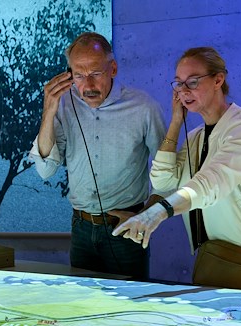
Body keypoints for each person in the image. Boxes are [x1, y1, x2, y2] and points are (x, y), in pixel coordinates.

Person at [112, 47, 241, 293]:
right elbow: (163, 181)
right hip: (215, 254)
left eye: (193, 82)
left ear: (218, 80)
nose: (184, 91)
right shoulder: (195, 137)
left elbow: (212, 183)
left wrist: (158, 213)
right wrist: (176, 122)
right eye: (178, 83)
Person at [29, 32, 167, 280]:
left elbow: (169, 174)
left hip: (125, 228)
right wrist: (48, 110)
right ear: (69, 74)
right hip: (81, 229)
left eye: (95, 73)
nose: (88, 85)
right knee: (83, 301)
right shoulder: (64, 104)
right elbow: (45, 170)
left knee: (129, 301)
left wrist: (146, 215)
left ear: (113, 69)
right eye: (79, 76)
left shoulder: (144, 108)